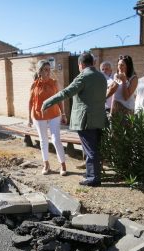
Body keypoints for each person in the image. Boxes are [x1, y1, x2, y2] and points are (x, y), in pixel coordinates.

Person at [41, 52, 107, 187]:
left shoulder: (83, 76)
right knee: (94, 148)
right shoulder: (101, 76)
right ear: (93, 63)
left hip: (86, 119)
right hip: (99, 118)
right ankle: (93, 174)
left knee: (90, 150)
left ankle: (93, 178)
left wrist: (47, 102)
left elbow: (66, 92)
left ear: (81, 65)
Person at [28, 59, 67, 176]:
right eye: (46, 70)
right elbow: (30, 102)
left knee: (56, 140)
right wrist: (28, 118)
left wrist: (63, 114)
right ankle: (46, 164)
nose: (48, 72)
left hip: (54, 115)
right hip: (38, 116)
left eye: (49, 70)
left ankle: (63, 165)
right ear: (40, 71)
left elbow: (60, 99)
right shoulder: (34, 84)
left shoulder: (54, 82)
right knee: (43, 141)